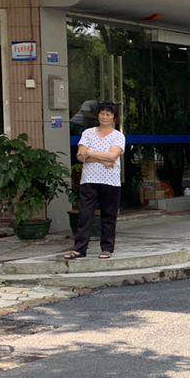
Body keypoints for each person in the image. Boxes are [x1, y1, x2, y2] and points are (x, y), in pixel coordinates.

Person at [66, 102, 125, 261]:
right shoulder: (88, 133)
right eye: (102, 113)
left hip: (110, 182)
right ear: (97, 115)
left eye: (108, 114)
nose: (104, 117)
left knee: (108, 216)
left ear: (114, 118)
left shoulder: (118, 136)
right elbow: (80, 156)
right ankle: (79, 249)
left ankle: (107, 249)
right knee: (85, 215)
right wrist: (102, 159)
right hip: (89, 180)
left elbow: (113, 156)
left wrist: (90, 153)